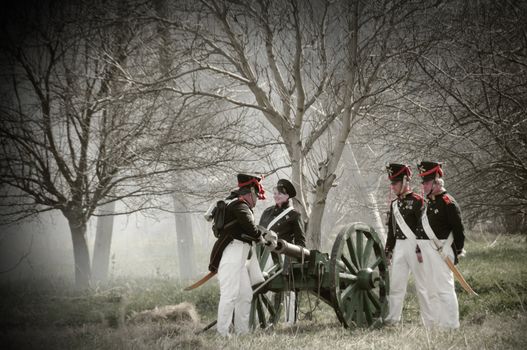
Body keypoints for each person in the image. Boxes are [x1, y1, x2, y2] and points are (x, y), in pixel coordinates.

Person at [213, 173, 274, 337]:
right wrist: (261, 238)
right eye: (255, 195)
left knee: (245, 295)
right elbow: (251, 228)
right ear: (250, 193)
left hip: (240, 256)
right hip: (233, 253)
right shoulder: (239, 205)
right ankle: (222, 334)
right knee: (229, 295)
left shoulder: (238, 204)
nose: (256, 199)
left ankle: (242, 332)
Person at [384, 163, 435, 327]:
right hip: (399, 247)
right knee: (396, 286)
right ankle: (393, 319)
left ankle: (429, 321)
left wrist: (421, 249)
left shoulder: (419, 201)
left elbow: (424, 227)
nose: (392, 187)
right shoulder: (394, 204)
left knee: (423, 286)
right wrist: (388, 251)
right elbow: (391, 231)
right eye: (391, 184)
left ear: (405, 181)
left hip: (416, 247)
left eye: (395, 183)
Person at [417, 161, 465, 329]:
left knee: (444, 289)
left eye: (427, 182)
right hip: (429, 249)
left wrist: (457, 250)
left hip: (443, 249)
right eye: (423, 182)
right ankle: (437, 324)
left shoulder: (448, 202)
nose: (423, 186)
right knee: (431, 289)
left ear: (437, 182)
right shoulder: (430, 202)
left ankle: (451, 325)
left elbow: (459, 230)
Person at [259, 179, 306, 324]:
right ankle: (267, 321)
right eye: (274, 193)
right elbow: (260, 232)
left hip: (286, 257)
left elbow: (300, 242)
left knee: (289, 291)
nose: (276, 196)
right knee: (262, 286)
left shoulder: (294, 215)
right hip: (266, 256)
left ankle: (290, 323)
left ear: (287, 196)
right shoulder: (267, 212)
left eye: (279, 193)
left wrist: (296, 259)